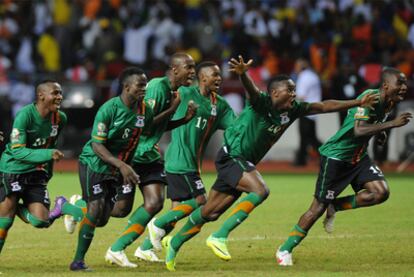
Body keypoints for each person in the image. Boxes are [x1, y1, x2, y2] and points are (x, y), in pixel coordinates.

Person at [162, 55, 378, 271]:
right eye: (289, 90)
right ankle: (220, 235)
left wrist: (358, 102)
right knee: (260, 190)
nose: (294, 94)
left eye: (294, 90)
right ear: (275, 93)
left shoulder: (293, 109)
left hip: (243, 161)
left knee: (210, 211)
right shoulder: (262, 103)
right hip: (232, 156)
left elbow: (322, 106)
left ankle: (174, 242)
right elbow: (252, 91)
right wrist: (243, 74)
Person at [277, 67, 412, 266]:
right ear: (385, 85)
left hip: (358, 158)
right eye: (399, 83)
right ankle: (285, 249)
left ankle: (336, 205)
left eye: (405, 83)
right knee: (317, 208)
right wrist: (391, 125)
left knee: (380, 192)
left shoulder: (390, 102)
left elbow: (371, 124)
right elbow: (359, 130)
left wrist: (380, 132)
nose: (404, 87)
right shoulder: (370, 98)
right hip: (336, 157)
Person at [103, 53, 198, 266]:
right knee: (119, 209)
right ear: (175, 69)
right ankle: (74, 207)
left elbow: (159, 125)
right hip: (133, 155)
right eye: (189, 67)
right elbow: (145, 124)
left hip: (150, 155)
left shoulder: (173, 91)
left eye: (194, 67)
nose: (193, 72)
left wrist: (183, 119)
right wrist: (174, 110)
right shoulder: (156, 87)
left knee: (155, 203)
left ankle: (117, 249)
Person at [138, 61, 236, 263]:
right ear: (202, 77)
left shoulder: (221, 105)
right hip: (179, 160)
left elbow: (237, 129)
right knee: (201, 201)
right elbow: (158, 105)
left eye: (220, 75)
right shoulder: (183, 93)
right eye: (214, 75)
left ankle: (145, 248)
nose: (219, 78)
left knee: (176, 212)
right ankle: (157, 224)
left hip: (192, 163)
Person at [68, 67, 153, 271]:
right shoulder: (109, 109)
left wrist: (179, 117)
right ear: (126, 87)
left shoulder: (144, 110)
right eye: (140, 85)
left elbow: (149, 130)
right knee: (96, 209)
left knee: (106, 217)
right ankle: (77, 262)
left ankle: (71, 208)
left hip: (117, 168)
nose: (144, 89)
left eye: (146, 85)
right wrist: (122, 165)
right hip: (95, 162)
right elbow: (97, 145)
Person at [0, 80, 83, 254]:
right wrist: (47, 155)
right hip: (13, 169)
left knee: (41, 222)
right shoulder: (25, 115)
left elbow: (50, 145)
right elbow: (17, 152)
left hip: (37, 172)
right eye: (55, 93)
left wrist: (48, 172)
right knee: (5, 218)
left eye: (60, 93)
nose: (59, 97)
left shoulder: (60, 118)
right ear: (41, 95)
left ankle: (60, 206)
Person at [293, 57, 323, 166]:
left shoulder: (304, 77)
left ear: (301, 66)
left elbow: (301, 95)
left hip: (305, 110)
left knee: (306, 138)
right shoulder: (313, 75)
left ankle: (301, 161)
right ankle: (302, 159)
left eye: (296, 66)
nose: (295, 68)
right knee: (311, 138)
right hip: (314, 110)